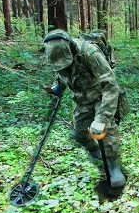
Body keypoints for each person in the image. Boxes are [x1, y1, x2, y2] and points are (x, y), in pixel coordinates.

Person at [42, 29, 126, 188]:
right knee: (79, 133)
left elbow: (111, 85)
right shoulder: (57, 56)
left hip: (101, 95)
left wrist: (101, 118)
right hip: (82, 98)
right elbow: (62, 73)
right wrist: (57, 87)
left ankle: (113, 166)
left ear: (71, 49)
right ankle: (95, 152)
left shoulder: (90, 53)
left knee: (105, 130)